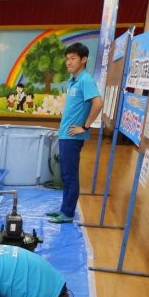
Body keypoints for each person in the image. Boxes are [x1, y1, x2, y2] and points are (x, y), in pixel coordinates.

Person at [49, 42, 102, 224]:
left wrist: (85, 126)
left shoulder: (86, 80)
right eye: (67, 59)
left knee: (70, 175)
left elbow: (98, 103)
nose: (69, 62)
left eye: (73, 58)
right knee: (65, 175)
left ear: (84, 59)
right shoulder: (73, 81)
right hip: (65, 135)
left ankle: (68, 213)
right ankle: (64, 209)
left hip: (73, 137)